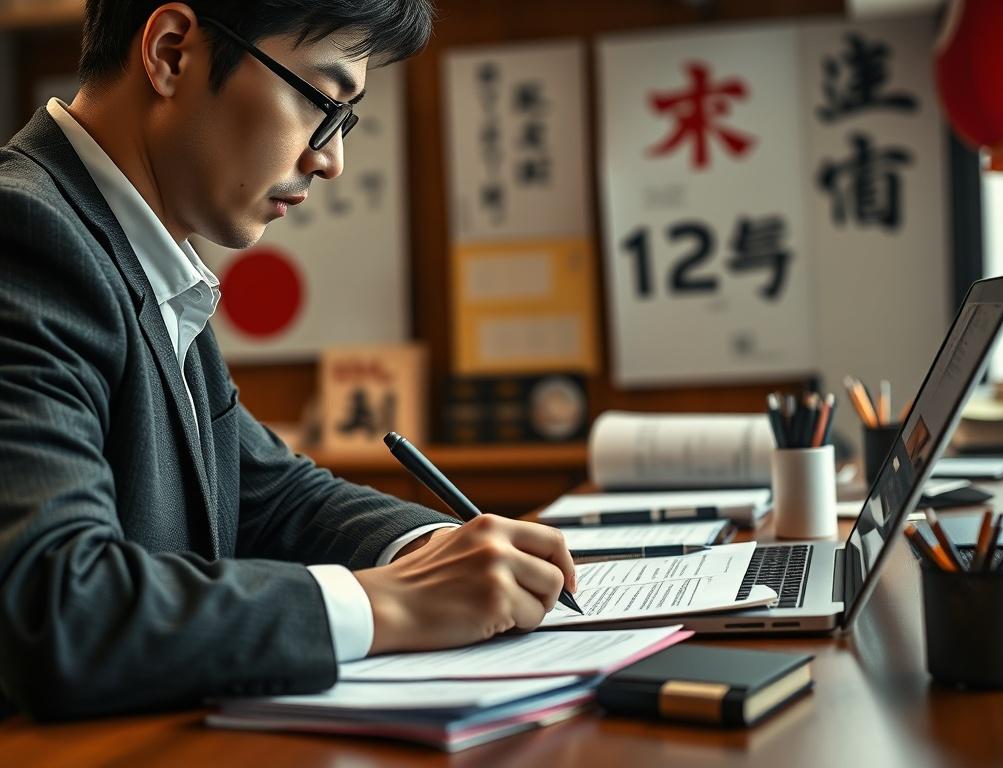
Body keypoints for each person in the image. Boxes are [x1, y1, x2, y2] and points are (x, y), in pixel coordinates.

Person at [0, 0, 575, 720]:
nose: (330, 159)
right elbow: (56, 605)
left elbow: (270, 495)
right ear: (172, 52)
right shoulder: (25, 235)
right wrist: (387, 604)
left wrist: (437, 548)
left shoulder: (141, 254)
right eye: (321, 102)